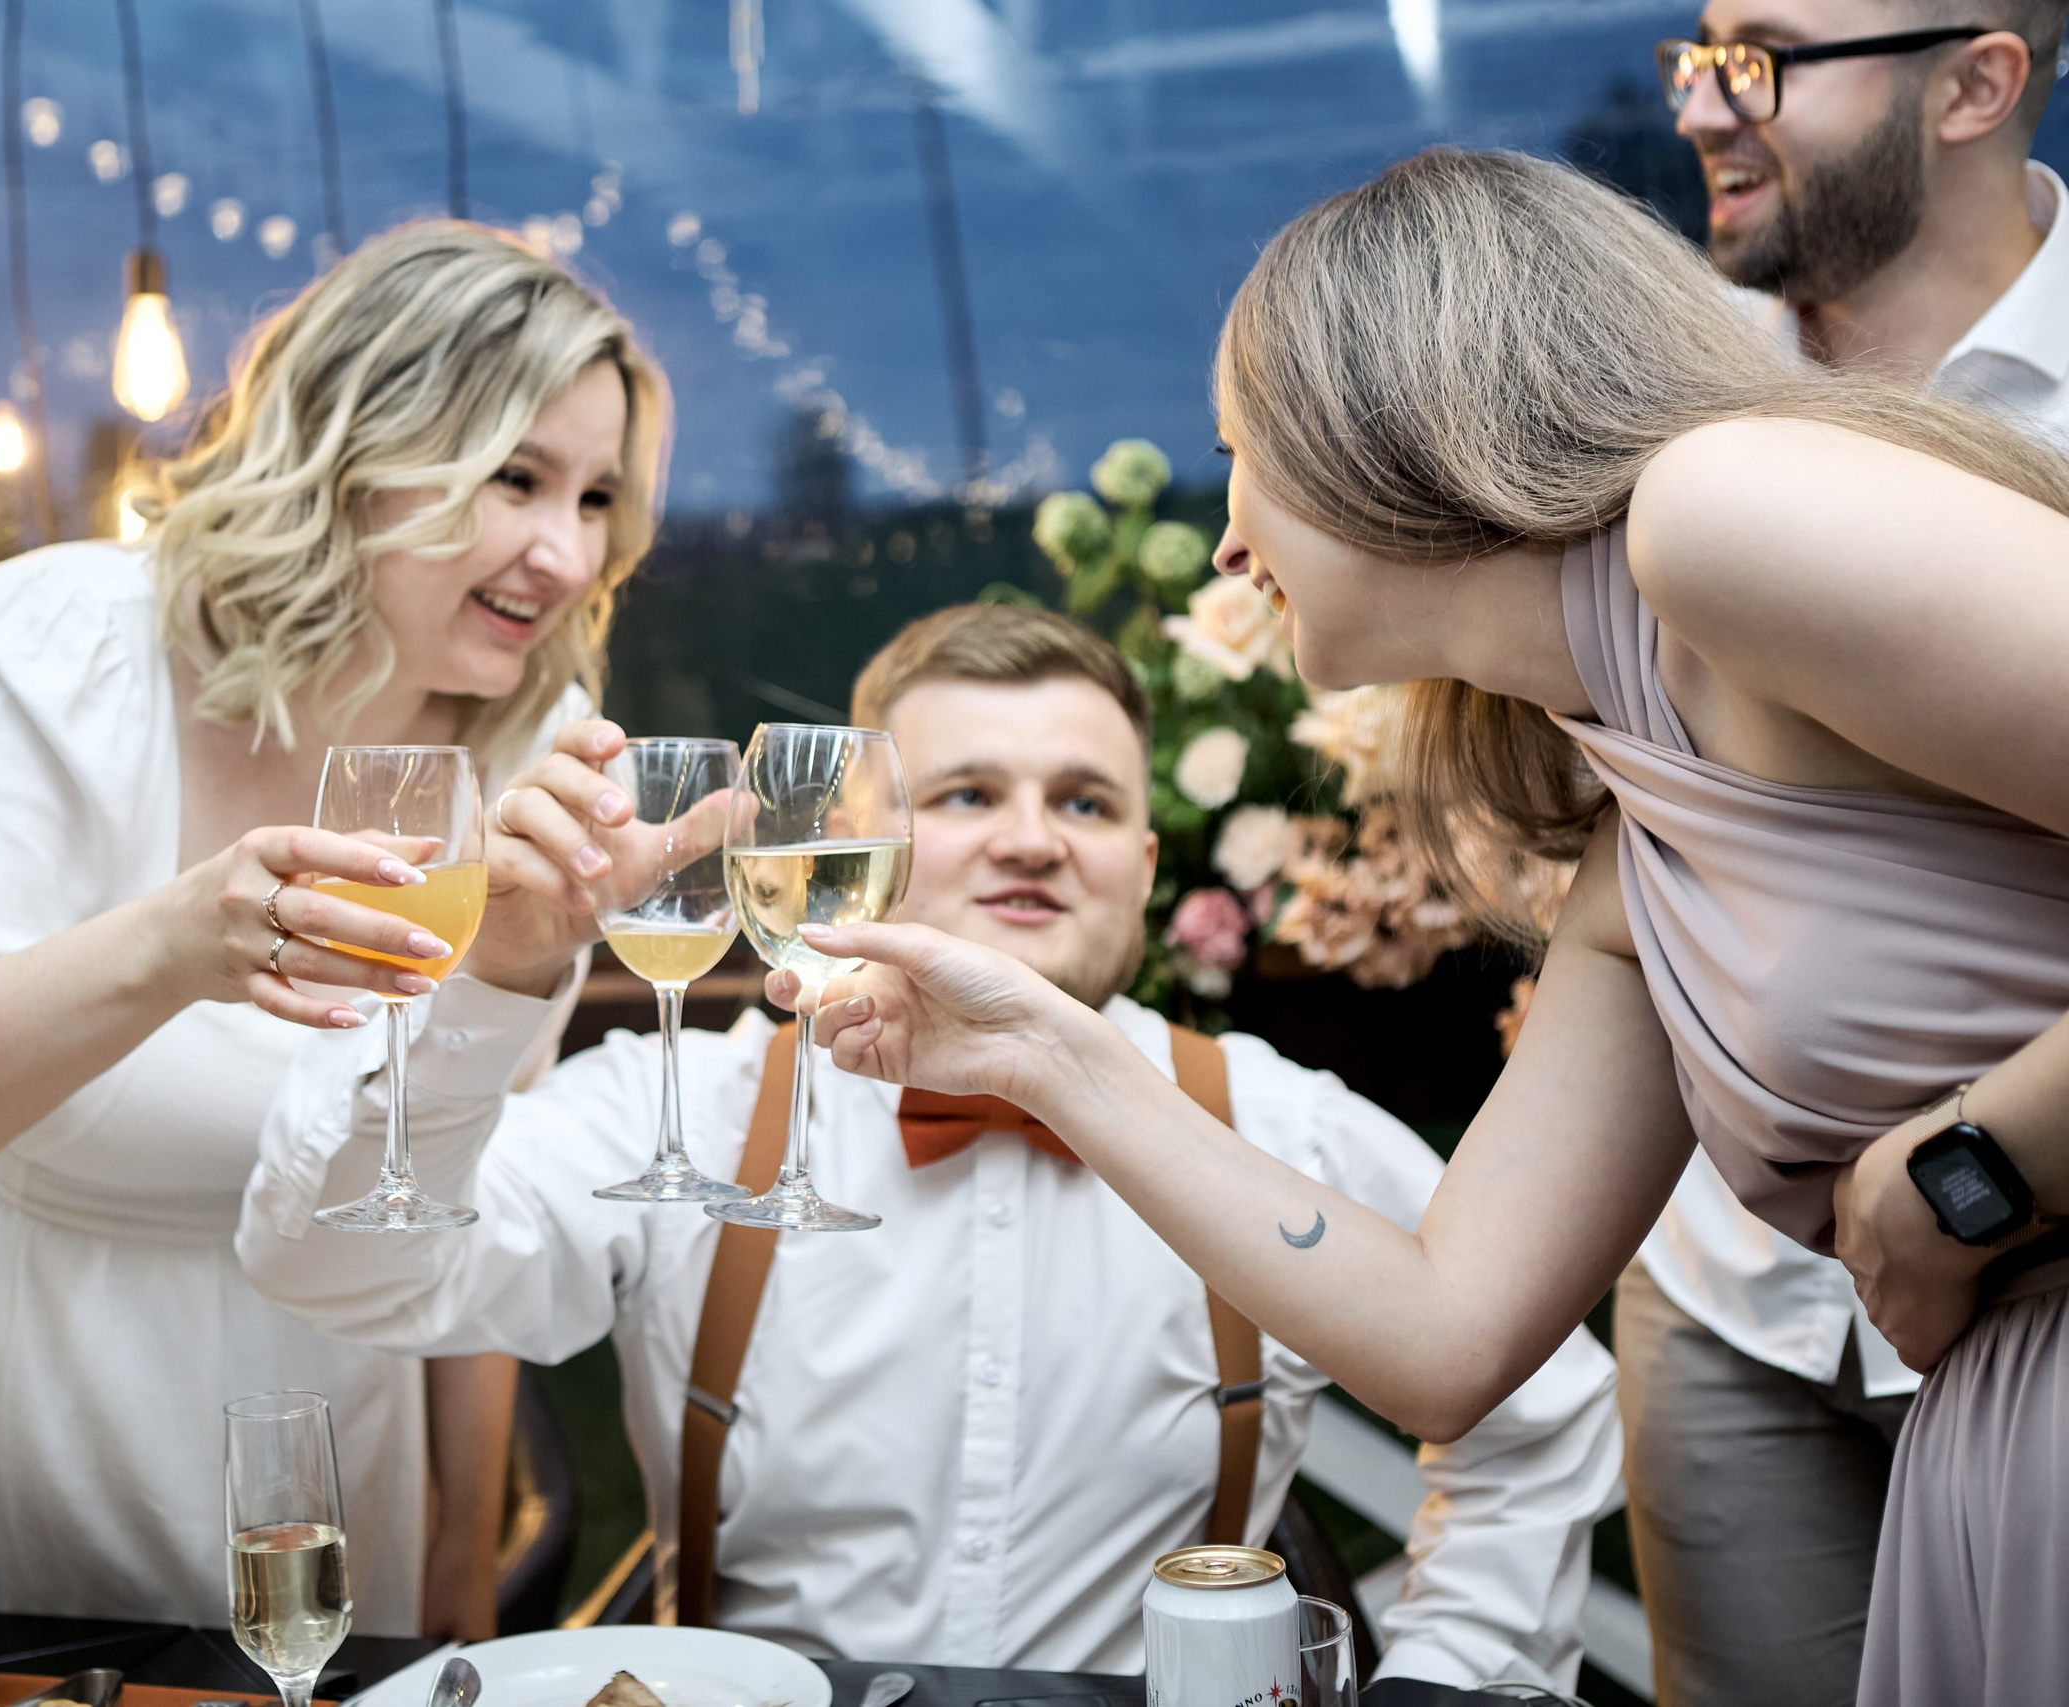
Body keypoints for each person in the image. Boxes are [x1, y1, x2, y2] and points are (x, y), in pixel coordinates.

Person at [792, 149, 2069, 1707]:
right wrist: (1046, 1056)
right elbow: (1446, 1339)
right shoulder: (1643, 841)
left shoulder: (1723, 511)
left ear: (1378, 410)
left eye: (1240, 452)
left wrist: (1966, 1175)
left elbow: (1954, 1173)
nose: (1227, 541)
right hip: (2003, 1466)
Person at [236, 604, 1623, 1692]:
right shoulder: (696, 1110)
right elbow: (331, 1270)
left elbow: (1545, 1409)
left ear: (1146, 869)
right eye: (966, 794)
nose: (1032, 839)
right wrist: (493, 979)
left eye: (1085, 803)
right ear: (853, 841)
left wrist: (1449, 1684)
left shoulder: (1280, 1125)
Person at [0, 223, 669, 1632]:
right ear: (358, 445)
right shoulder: (57, 646)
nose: (566, 551)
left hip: (296, 1451)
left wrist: (457, 1568)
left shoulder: (532, 745)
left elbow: (458, 1174)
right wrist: (172, 947)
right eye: (517, 478)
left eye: (598, 498)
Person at [1615, 6, 2069, 1699]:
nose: (1701, 108)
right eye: (1695, 52)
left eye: (1764, 58)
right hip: (1727, 1304)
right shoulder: (1654, 386)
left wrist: (1968, 1178)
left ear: (1976, 82)